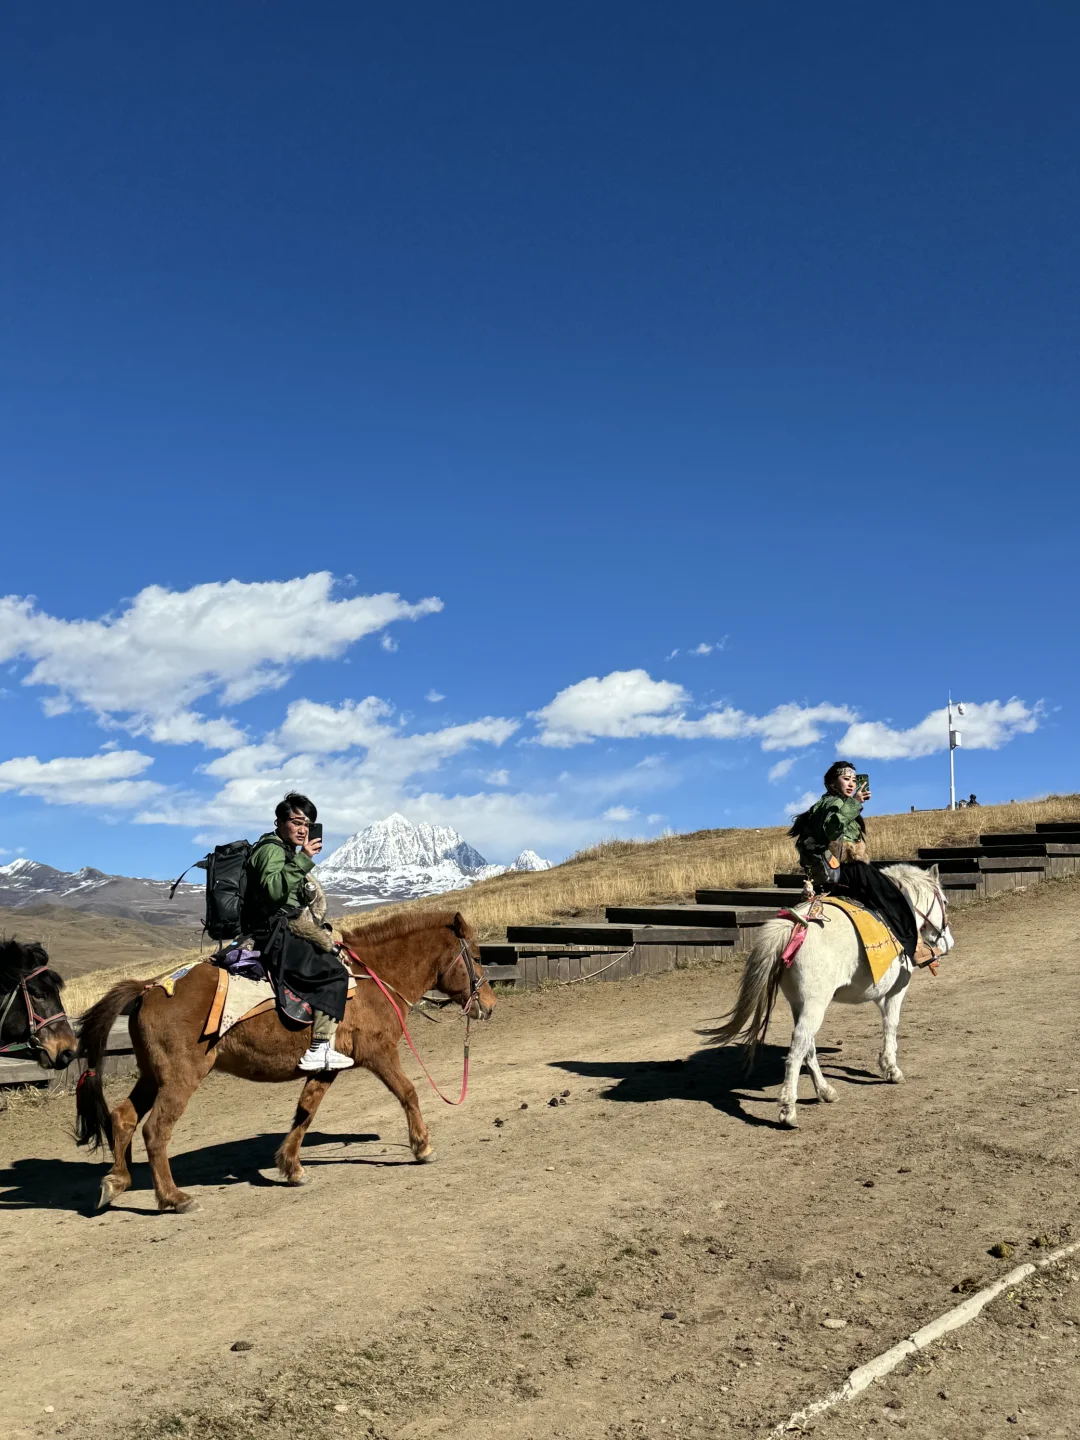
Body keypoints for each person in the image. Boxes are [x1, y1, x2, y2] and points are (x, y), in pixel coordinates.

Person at [242, 793, 353, 1072]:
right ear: (279, 822)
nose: (303, 829)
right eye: (296, 822)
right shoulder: (270, 850)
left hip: (285, 928)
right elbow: (274, 891)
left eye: (308, 824)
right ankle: (319, 1048)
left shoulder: (285, 852)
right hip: (275, 934)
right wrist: (304, 858)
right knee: (334, 973)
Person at [789, 761, 870, 892]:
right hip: (844, 871)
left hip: (832, 870)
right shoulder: (835, 802)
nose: (851, 784)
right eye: (846, 779)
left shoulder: (826, 802)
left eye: (854, 780)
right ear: (832, 782)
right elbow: (832, 831)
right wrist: (854, 803)